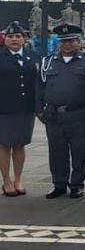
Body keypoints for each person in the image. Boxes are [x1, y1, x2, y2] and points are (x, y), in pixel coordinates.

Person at [36, 24, 85, 199]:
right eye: (63, 41)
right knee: (57, 151)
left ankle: (77, 184)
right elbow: (39, 88)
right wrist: (39, 110)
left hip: (79, 113)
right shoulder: (48, 62)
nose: (67, 45)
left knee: (81, 151)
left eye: (70, 41)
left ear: (78, 42)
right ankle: (59, 184)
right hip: (54, 114)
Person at [0, 22, 40, 197]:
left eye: (18, 36)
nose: (14, 39)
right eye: (10, 37)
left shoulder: (33, 56)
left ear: (24, 39)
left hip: (25, 108)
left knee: (20, 144)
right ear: (5, 39)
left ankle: (18, 179)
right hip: (4, 108)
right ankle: (6, 181)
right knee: (4, 144)